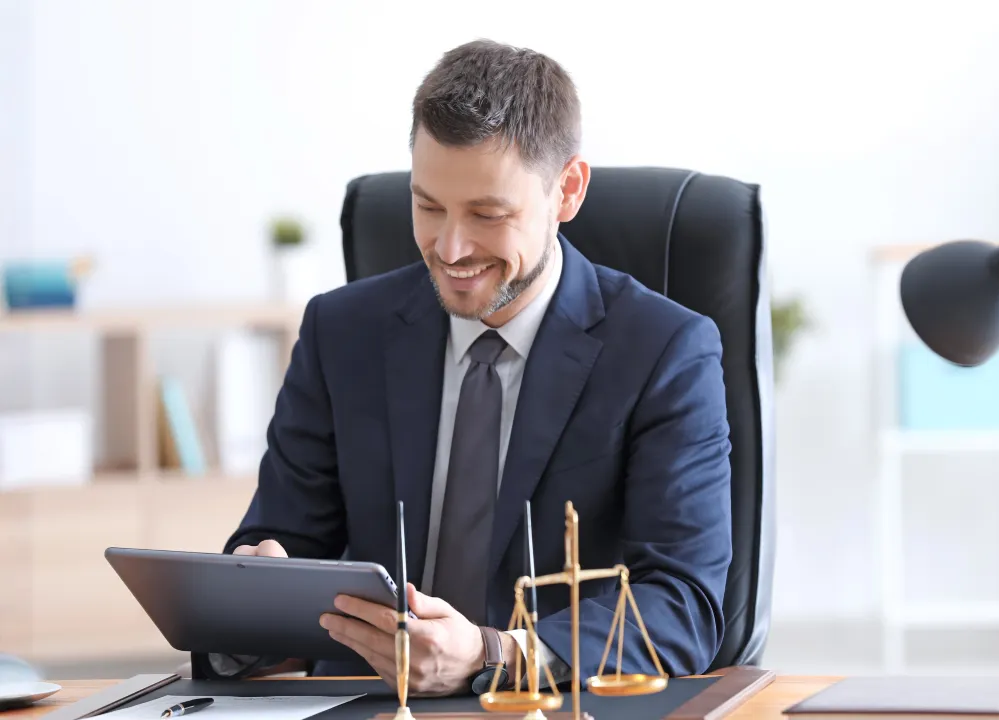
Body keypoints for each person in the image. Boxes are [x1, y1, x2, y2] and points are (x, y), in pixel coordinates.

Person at [195, 39, 733, 697]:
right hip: (366, 705)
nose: (450, 248)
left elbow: (684, 604)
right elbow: (279, 539)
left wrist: (494, 654)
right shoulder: (342, 333)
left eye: (487, 214)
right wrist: (253, 593)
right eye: (428, 206)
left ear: (567, 191)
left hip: (548, 705)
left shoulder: (663, 351)